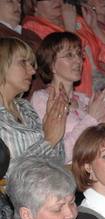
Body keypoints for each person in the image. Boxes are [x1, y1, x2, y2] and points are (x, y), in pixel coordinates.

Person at [31, 32, 105, 164]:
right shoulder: (42, 99)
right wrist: (92, 118)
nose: (78, 61)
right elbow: (58, 154)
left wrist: (104, 124)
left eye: (79, 54)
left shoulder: (84, 100)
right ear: (51, 64)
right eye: (69, 55)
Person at [23, 0, 105, 96]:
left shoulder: (76, 18)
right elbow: (55, 63)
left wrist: (95, 27)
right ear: (33, 5)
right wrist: (70, 28)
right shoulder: (32, 27)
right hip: (76, 94)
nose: (56, 1)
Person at [0, 37, 65, 174]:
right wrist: (48, 141)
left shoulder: (25, 107)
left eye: (32, 64)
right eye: (23, 62)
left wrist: (54, 121)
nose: (33, 71)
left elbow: (58, 160)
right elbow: (7, 172)